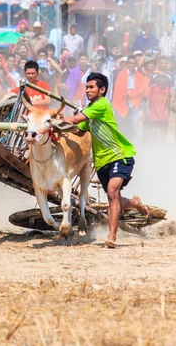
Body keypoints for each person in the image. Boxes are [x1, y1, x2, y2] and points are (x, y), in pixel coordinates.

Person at [62, 73, 147, 248]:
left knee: (112, 191)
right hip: (101, 163)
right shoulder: (91, 112)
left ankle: (112, 236)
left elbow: (78, 119)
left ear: (102, 90)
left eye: (91, 87)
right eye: (86, 87)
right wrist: (60, 127)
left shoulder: (101, 105)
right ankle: (134, 203)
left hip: (120, 157)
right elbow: (79, 128)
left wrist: (55, 120)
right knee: (114, 197)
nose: (87, 90)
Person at [112, 55, 149, 140]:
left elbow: (142, 89)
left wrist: (131, 93)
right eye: (130, 63)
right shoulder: (121, 74)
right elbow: (118, 89)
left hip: (134, 103)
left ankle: (135, 144)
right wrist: (124, 95)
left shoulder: (139, 75)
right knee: (121, 125)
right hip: (122, 102)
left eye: (134, 63)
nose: (132, 65)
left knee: (134, 125)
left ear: (136, 64)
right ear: (127, 64)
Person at [145, 72, 173, 143]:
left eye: (163, 78)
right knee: (154, 128)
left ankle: (162, 142)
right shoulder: (153, 87)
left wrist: (168, 111)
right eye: (160, 77)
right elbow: (148, 98)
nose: (162, 79)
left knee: (163, 127)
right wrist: (147, 109)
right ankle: (154, 142)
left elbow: (168, 101)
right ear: (158, 78)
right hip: (154, 111)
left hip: (163, 111)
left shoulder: (167, 88)